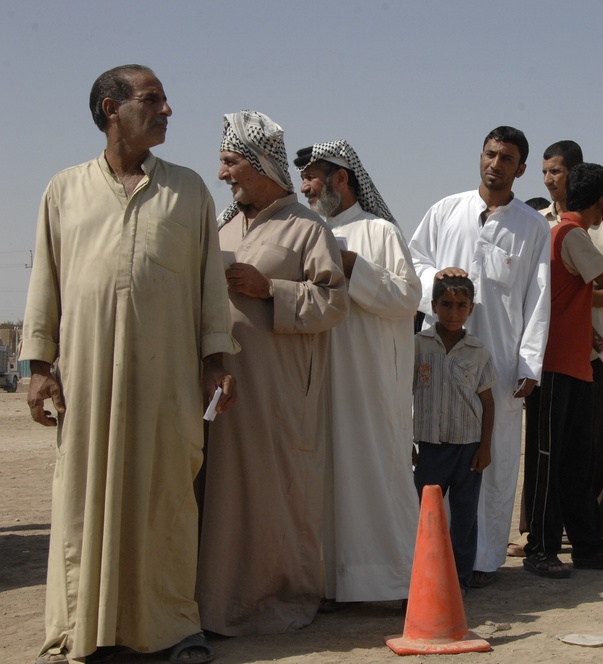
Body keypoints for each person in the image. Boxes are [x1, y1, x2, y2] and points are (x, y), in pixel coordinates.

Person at [22, 65, 238, 664]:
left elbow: (207, 292)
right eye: (153, 100)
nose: (167, 110)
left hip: (168, 380)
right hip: (87, 380)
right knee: (83, 500)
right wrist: (38, 367)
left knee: (166, 496)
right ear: (111, 108)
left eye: (167, 100)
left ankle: (171, 627)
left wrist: (216, 362)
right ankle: (81, 628)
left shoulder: (189, 190)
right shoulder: (63, 190)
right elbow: (46, 283)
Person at [196, 111, 348, 636]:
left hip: (278, 392)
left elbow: (333, 303)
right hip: (219, 386)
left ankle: (272, 601)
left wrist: (271, 290)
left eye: (231, 163)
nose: (224, 175)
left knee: (273, 497)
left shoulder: (308, 228)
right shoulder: (222, 224)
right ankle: (215, 604)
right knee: (219, 497)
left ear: (261, 165)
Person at [408, 126, 550, 587]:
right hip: (441, 357)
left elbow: (538, 297)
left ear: (520, 169)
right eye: (490, 154)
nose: (495, 164)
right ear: (480, 157)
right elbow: (412, 263)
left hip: (501, 364)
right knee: (438, 453)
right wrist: (436, 278)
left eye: (506, 158)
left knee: (495, 458)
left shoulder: (532, 226)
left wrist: (530, 363)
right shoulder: (446, 210)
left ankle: (483, 559)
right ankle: (434, 556)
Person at [295, 141, 421, 606]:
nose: (304, 187)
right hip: (321, 375)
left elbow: (408, 299)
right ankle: (331, 584)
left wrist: (354, 267)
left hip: (370, 379)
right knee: (326, 477)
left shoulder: (380, 231)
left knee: (374, 473)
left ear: (340, 179)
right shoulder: (306, 231)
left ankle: (389, 581)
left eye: (311, 177)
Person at [523, 162, 603, 577]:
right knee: (550, 461)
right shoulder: (571, 235)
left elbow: (583, 300)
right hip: (556, 364)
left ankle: (584, 545)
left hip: (571, 363)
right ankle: (542, 548)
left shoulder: (559, 234)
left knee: (575, 462)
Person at [413, 276, 498, 593]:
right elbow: (403, 394)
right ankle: (423, 576)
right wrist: (407, 443)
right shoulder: (418, 345)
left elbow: (488, 402)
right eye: (446, 305)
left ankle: (459, 580)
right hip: (430, 447)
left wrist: (485, 447)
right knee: (424, 514)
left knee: (464, 518)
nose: (453, 312)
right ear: (433, 307)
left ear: (471, 309)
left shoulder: (478, 351)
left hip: (468, 448)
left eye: (461, 306)